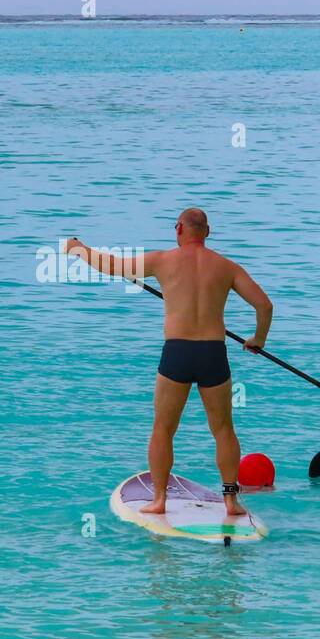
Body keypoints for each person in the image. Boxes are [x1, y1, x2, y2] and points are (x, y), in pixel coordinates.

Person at [63, 208, 272, 517]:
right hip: (213, 353)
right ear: (207, 232)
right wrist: (258, 339)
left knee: (163, 429)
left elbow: (114, 266)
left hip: (178, 352)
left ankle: (159, 499)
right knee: (224, 430)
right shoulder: (227, 267)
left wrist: (78, 249)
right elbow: (264, 305)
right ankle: (231, 501)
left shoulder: (162, 260)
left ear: (178, 230)